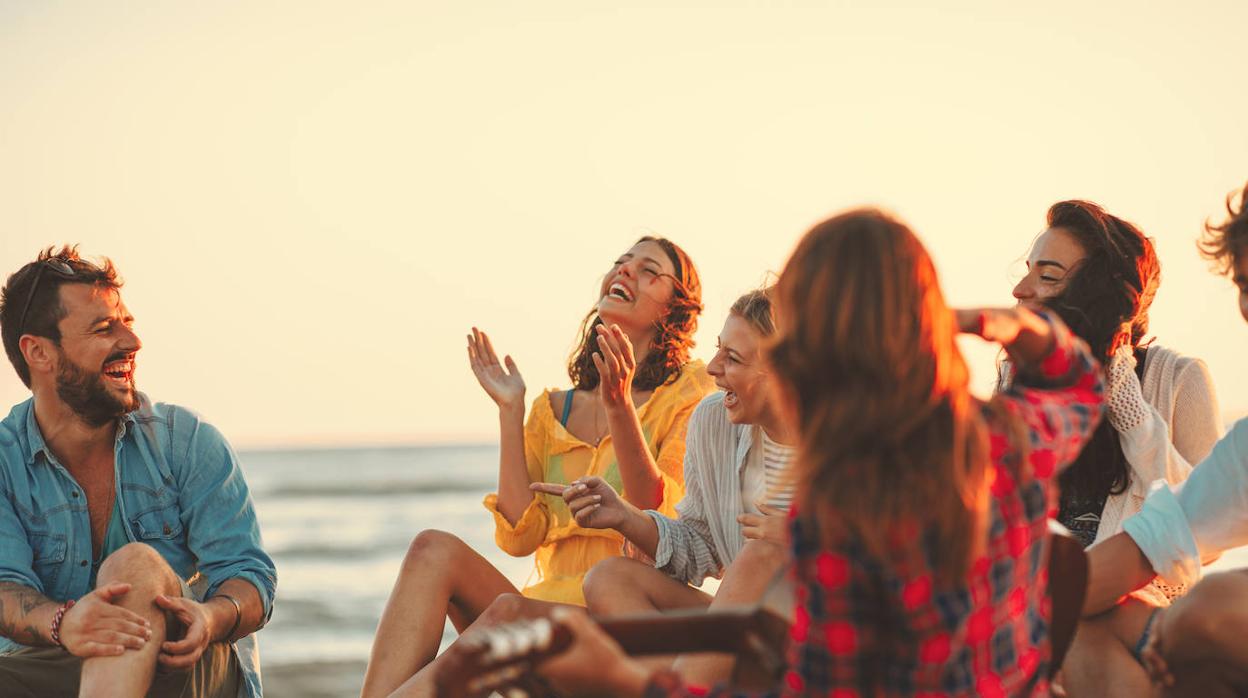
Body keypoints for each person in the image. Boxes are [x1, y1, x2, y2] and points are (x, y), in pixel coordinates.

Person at [524, 208, 1106, 696]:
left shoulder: (837, 516)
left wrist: (620, 679)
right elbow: (1075, 375)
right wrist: (985, 322)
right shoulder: (1008, 437)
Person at [361, 236, 714, 697]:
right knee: (432, 549)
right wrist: (511, 411)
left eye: (648, 270)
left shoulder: (688, 395)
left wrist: (619, 403)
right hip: (543, 606)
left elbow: (657, 514)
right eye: (620, 263)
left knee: (508, 615)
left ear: (674, 310)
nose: (625, 272)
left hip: (618, 617)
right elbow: (520, 538)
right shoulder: (552, 411)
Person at [0, 247, 276, 698]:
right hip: (54, 668)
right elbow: (4, 589)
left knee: (135, 567)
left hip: (184, 669)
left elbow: (249, 575)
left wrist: (211, 617)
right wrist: (64, 622)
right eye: (104, 328)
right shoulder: (3, 461)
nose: (132, 342)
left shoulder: (185, 441)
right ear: (38, 352)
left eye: (127, 322)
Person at [1009, 201, 1222, 696]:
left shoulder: (1178, 379)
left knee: (1083, 636)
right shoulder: (1020, 382)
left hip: (1130, 619)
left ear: (1097, 293)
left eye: (1049, 275)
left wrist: (1124, 394)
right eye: (1027, 272)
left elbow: (1204, 530)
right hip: (1029, 620)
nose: (1020, 290)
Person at [536, 287, 797, 684]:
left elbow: (903, 566)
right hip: (746, 637)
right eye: (717, 349)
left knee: (758, 556)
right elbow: (700, 546)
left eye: (734, 358)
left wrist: (810, 538)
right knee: (609, 578)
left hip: (824, 643)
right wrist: (624, 517)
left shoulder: (853, 442)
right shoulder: (713, 422)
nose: (712, 368)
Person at [1081, 180, 1248, 697]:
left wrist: (1179, 628)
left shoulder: (1175, 378)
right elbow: (1151, 542)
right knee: (1084, 626)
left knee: (1207, 610)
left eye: (1048, 276)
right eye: (1245, 285)